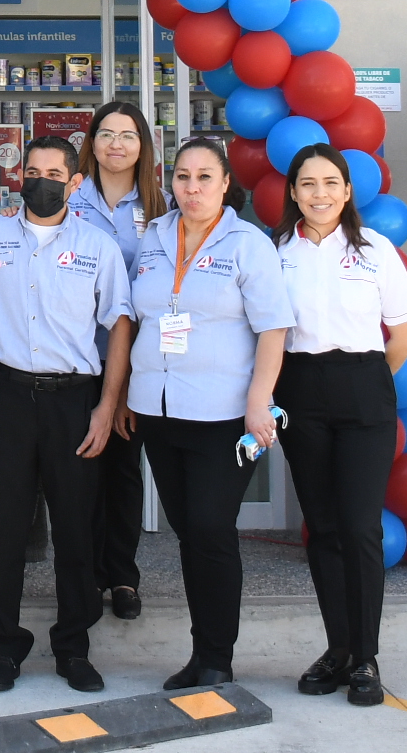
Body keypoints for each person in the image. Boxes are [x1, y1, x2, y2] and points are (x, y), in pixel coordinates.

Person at [0, 134, 131, 694]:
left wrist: (106, 406)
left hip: (74, 400)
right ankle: (5, 646)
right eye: (33, 172)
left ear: (74, 183)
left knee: (76, 528)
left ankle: (73, 647)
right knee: (5, 527)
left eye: (55, 174)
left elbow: (119, 325)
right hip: (8, 397)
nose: (41, 182)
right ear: (19, 176)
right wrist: (1, 354)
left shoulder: (98, 246)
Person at [127, 136, 291, 690]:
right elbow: (141, 316)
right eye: (182, 177)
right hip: (157, 409)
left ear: (225, 184)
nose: (191, 188)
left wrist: (259, 402)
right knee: (188, 532)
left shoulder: (248, 244)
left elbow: (274, 328)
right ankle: (201, 653)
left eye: (204, 177)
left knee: (211, 529)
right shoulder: (153, 237)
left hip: (223, 414)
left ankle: (217, 658)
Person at [275, 144, 407, 709]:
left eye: (330, 183)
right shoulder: (275, 252)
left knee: (361, 528)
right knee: (324, 528)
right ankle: (337, 649)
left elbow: (403, 335)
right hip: (299, 391)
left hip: (363, 390)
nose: (320, 194)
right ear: (293, 192)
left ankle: (365, 656)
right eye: (308, 184)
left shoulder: (375, 249)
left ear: (347, 190)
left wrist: (366, 381)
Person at [70, 98, 165, 622]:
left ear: (142, 146)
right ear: (92, 142)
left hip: (134, 362)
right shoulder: (70, 195)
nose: (116, 145)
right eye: (106, 134)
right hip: (76, 358)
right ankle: (83, 574)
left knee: (124, 470)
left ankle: (122, 575)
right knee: (80, 469)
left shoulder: (161, 205)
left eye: (128, 135)